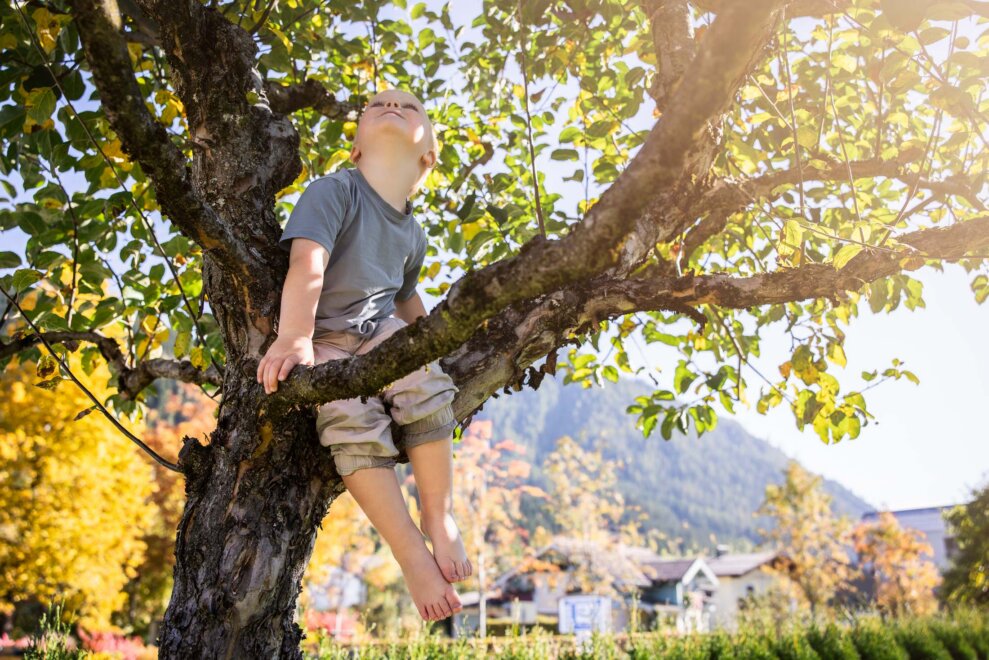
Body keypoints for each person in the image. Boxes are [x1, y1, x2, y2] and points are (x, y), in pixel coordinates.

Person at [256, 88, 470, 623]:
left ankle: (439, 516)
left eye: (410, 105)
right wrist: (294, 337)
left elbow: (404, 295)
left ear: (428, 156)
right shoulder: (335, 191)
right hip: (324, 339)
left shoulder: (413, 233)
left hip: (376, 332)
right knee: (348, 420)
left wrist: (436, 342)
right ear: (355, 147)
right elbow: (307, 263)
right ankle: (410, 551)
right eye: (376, 105)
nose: (391, 106)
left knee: (424, 377)